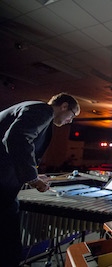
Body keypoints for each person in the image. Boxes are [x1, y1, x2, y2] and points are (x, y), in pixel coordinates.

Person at [0, 92, 80, 266]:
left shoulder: (34, 108)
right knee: (9, 247)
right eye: (72, 115)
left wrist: (35, 174)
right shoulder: (43, 110)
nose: (70, 121)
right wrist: (33, 180)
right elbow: (16, 138)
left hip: (6, 185)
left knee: (9, 244)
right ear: (64, 106)